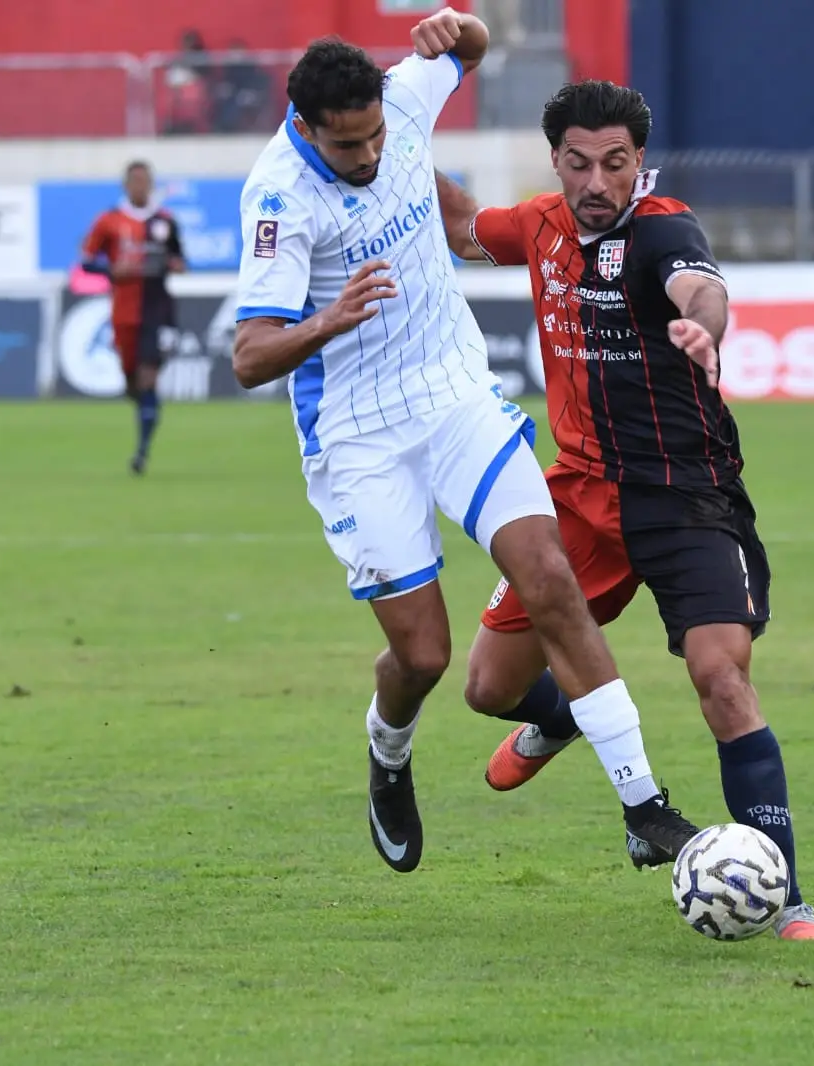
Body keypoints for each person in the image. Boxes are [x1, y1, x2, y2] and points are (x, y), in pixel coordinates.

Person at [229, 12, 698, 875]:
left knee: (549, 576)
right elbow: (249, 355)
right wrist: (327, 318)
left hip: (453, 399)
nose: (369, 157)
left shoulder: (403, 102)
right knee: (424, 655)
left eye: (375, 136)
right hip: (359, 435)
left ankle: (643, 804)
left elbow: (470, 52)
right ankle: (388, 753)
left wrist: (464, 26)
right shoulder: (276, 200)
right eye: (348, 148)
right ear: (305, 129)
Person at [435, 80, 814, 940]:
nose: (595, 182)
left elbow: (701, 288)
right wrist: (397, 147)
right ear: (555, 161)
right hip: (577, 499)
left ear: (637, 164)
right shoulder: (542, 225)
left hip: (685, 497)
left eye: (613, 164)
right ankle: (566, 715)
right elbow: (465, 226)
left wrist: (703, 326)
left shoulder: (662, 229)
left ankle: (785, 898)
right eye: (578, 163)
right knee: (484, 688)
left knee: (721, 679)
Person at [80, 160, 186, 475]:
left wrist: (174, 264)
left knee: (148, 377)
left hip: (158, 311)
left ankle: (141, 453)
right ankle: (140, 402)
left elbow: (180, 259)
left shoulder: (164, 221)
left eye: (145, 181)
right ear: (126, 185)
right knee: (132, 382)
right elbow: (86, 262)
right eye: (135, 181)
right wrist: (111, 270)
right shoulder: (109, 221)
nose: (140, 186)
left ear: (151, 185)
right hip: (124, 313)